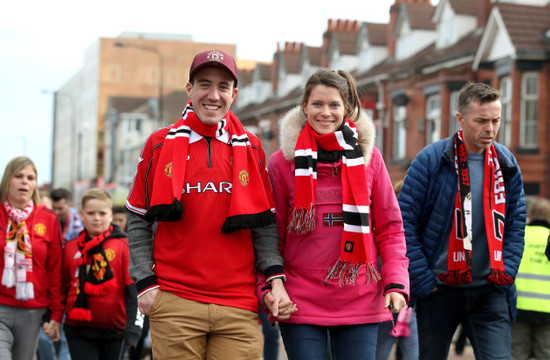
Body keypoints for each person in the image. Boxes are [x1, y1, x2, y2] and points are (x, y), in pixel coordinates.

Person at [125, 49, 295, 359]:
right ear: (189, 89)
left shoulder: (253, 147)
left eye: (223, 86)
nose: (213, 95)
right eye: (204, 84)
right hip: (175, 301)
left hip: (238, 306)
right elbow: (137, 219)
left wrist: (275, 281)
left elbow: (265, 225)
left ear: (234, 94)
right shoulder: (158, 144)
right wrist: (145, 283)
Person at [260, 68, 409, 359]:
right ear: (304, 107)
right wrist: (267, 288)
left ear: (347, 110)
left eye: (334, 105)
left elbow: (390, 228)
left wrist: (397, 282)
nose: (325, 113)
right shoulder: (280, 164)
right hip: (299, 298)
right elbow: (269, 236)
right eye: (317, 104)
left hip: (361, 297)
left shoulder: (370, 159)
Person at [399, 82, 526, 359]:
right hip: (439, 289)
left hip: (490, 289)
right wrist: (423, 280)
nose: (490, 128)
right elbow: (404, 221)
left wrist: (506, 274)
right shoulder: (431, 160)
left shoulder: (506, 162)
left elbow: (516, 223)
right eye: (481, 120)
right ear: (461, 119)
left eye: (496, 120)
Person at [62, 188, 141, 360]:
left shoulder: (124, 246)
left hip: (114, 333)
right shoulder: (70, 247)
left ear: (111, 215)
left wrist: (133, 330)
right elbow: (62, 287)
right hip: (77, 330)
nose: (96, 218)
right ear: (82, 215)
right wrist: (52, 318)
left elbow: (133, 293)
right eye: (91, 213)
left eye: (102, 213)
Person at [0, 156, 63, 359]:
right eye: (19, 176)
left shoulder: (49, 218)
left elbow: (55, 270)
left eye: (30, 177)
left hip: (33, 310)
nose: (25, 181)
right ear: (7, 179)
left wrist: (56, 314)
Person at [376, 180, 419, 360]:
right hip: (399, 301)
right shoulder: (404, 226)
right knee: (411, 353)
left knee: (381, 352)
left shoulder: (387, 222)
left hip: (389, 300)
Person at [37, 188, 81, 360]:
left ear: (69, 206)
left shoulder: (79, 225)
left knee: (65, 338)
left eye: (59, 209)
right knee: (44, 337)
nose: (55, 213)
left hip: (71, 284)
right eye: (52, 208)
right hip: (49, 284)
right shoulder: (45, 223)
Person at [511, 197, 550, 360]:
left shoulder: (519, 236)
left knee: (516, 354)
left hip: (520, 306)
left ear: (531, 214)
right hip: (547, 309)